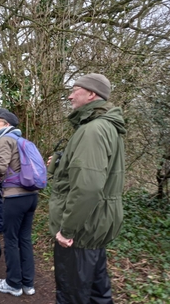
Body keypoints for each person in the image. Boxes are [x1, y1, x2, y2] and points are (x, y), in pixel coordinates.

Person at [48, 73, 125, 304]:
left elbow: (88, 187)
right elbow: (96, 172)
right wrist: (61, 162)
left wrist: (67, 230)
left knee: (72, 295)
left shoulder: (92, 130)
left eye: (75, 90)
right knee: (97, 294)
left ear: (92, 94)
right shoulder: (106, 126)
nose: (70, 96)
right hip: (95, 225)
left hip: (81, 231)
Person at [0, 110, 38, 297]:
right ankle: (28, 285)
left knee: (11, 240)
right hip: (31, 196)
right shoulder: (24, 141)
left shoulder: (6, 140)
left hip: (15, 197)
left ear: (6, 124)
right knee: (25, 239)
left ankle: (13, 284)